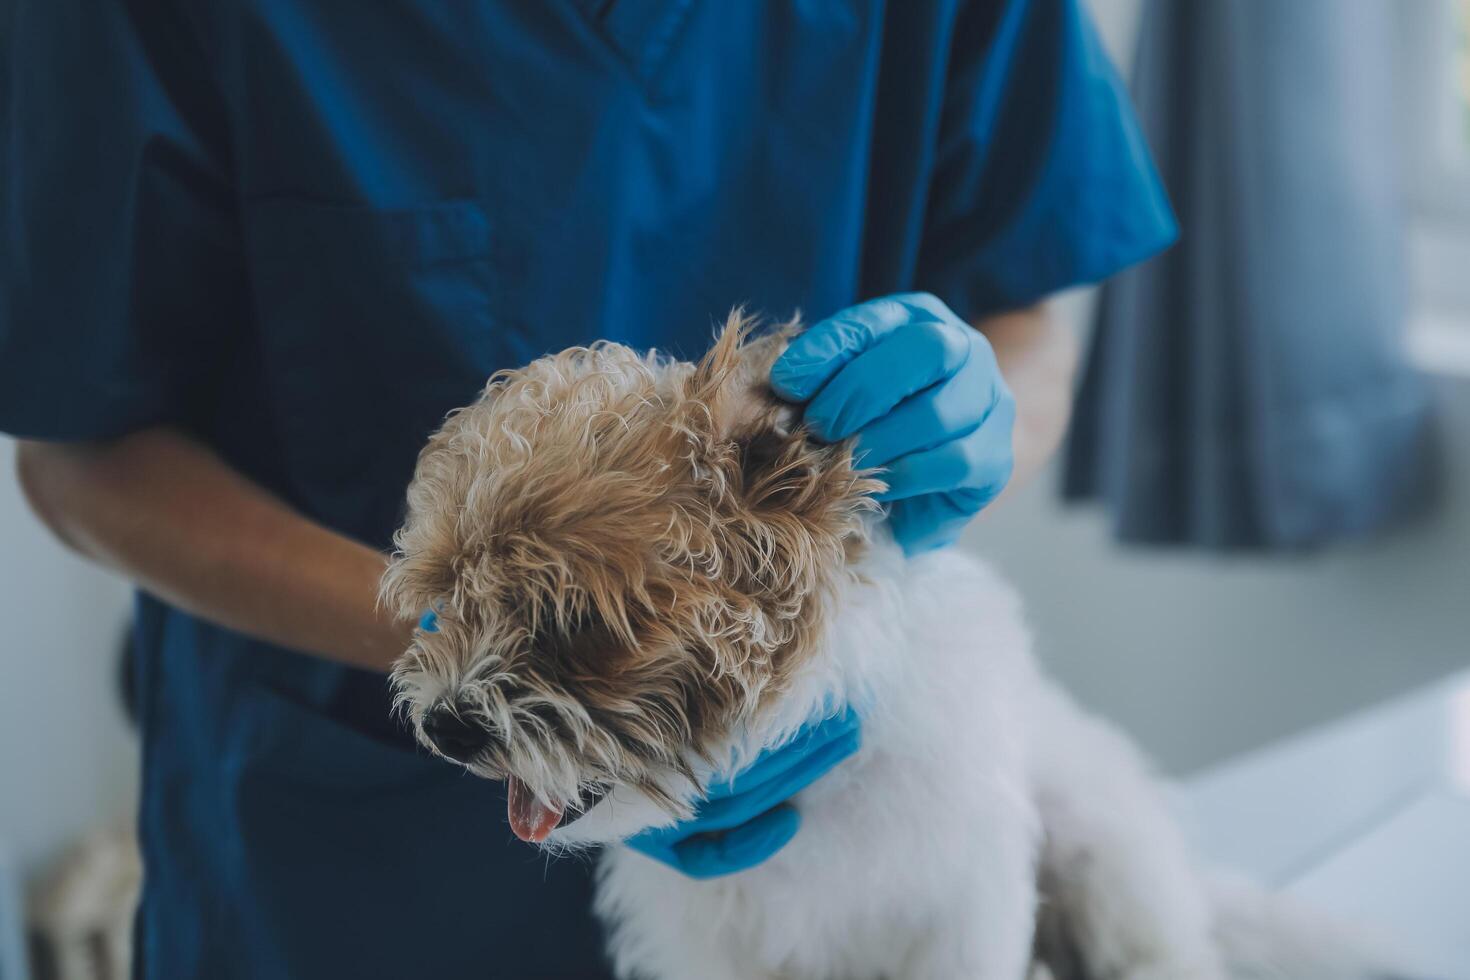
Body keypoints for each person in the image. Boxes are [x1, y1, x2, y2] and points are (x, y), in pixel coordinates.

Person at [0, 0, 1174, 976]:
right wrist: (482, 641)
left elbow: (1027, 310)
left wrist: (980, 416)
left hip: (815, 828)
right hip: (351, 871)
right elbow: (80, 456)